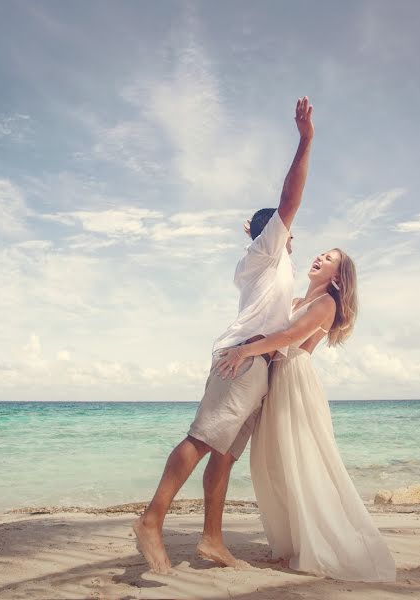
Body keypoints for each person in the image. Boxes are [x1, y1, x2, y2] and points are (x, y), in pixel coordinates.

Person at [132, 96, 315, 574]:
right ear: (264, 232)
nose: (288, 231)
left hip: (258, 363)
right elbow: (290, 198)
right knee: (202, 438)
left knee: (225, 453)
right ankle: (151, 521)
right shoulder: (264, 252)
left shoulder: (276, 268)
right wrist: (305, 140)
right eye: (280, 227)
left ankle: (211, 539)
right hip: (243, 359)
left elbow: (283, 314)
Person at [215, 248, 397, 583]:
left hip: (295, 380)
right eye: (321, 254)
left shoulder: (326, 303)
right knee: (271, 463)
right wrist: (267, 239)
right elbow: (268, 317)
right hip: (275, 380)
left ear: (338, 277)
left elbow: (287, 338)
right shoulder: (296, 300)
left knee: (302, 460)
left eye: (329, 259)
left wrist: (242, 352)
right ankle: (291, 541)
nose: (319, 258)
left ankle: (319, 542)